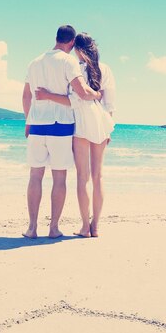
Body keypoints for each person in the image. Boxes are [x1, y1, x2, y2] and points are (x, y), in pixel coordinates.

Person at [22, 25, 102, 239]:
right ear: (71, 42)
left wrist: (28, 120)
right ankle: (53, 228)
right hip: (60, 126)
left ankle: (31, 228)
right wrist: (97, 94)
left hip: (37, 125)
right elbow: (82, 92)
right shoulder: (68, 62)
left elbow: (26, 97)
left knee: (35, 176)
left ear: (56, 38)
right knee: (59, 178)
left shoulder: (34, 62)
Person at [35, 33, 115, 238]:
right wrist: (109, 127)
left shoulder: (75, 68)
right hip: (101, 122)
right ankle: (95, 226)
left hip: (80, 123)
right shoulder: (105, 69)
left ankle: (84, 227)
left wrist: (47, 96)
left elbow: (73, 101)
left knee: (83, 177)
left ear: (77, 49)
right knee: (98, 176)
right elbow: (110, 103)